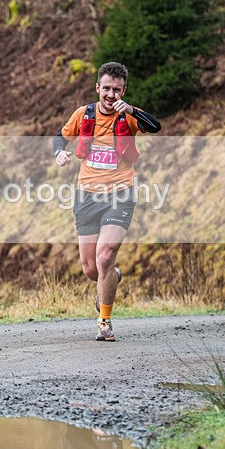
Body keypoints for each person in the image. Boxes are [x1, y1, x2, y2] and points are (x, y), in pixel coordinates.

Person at [53, 62, 161, 341]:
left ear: (123, 90)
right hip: (87, 195)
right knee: (92, 269)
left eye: (117, 90)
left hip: (120, 193)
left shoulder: (129, 116)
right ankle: (112, 277)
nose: (111, 95)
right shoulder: (83, 114)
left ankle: (105, 321)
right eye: (107, 89)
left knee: (104, 256)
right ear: (97, 88)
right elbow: (59, 139)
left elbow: (156, 126)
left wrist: (133, 110)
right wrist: (59, 154)